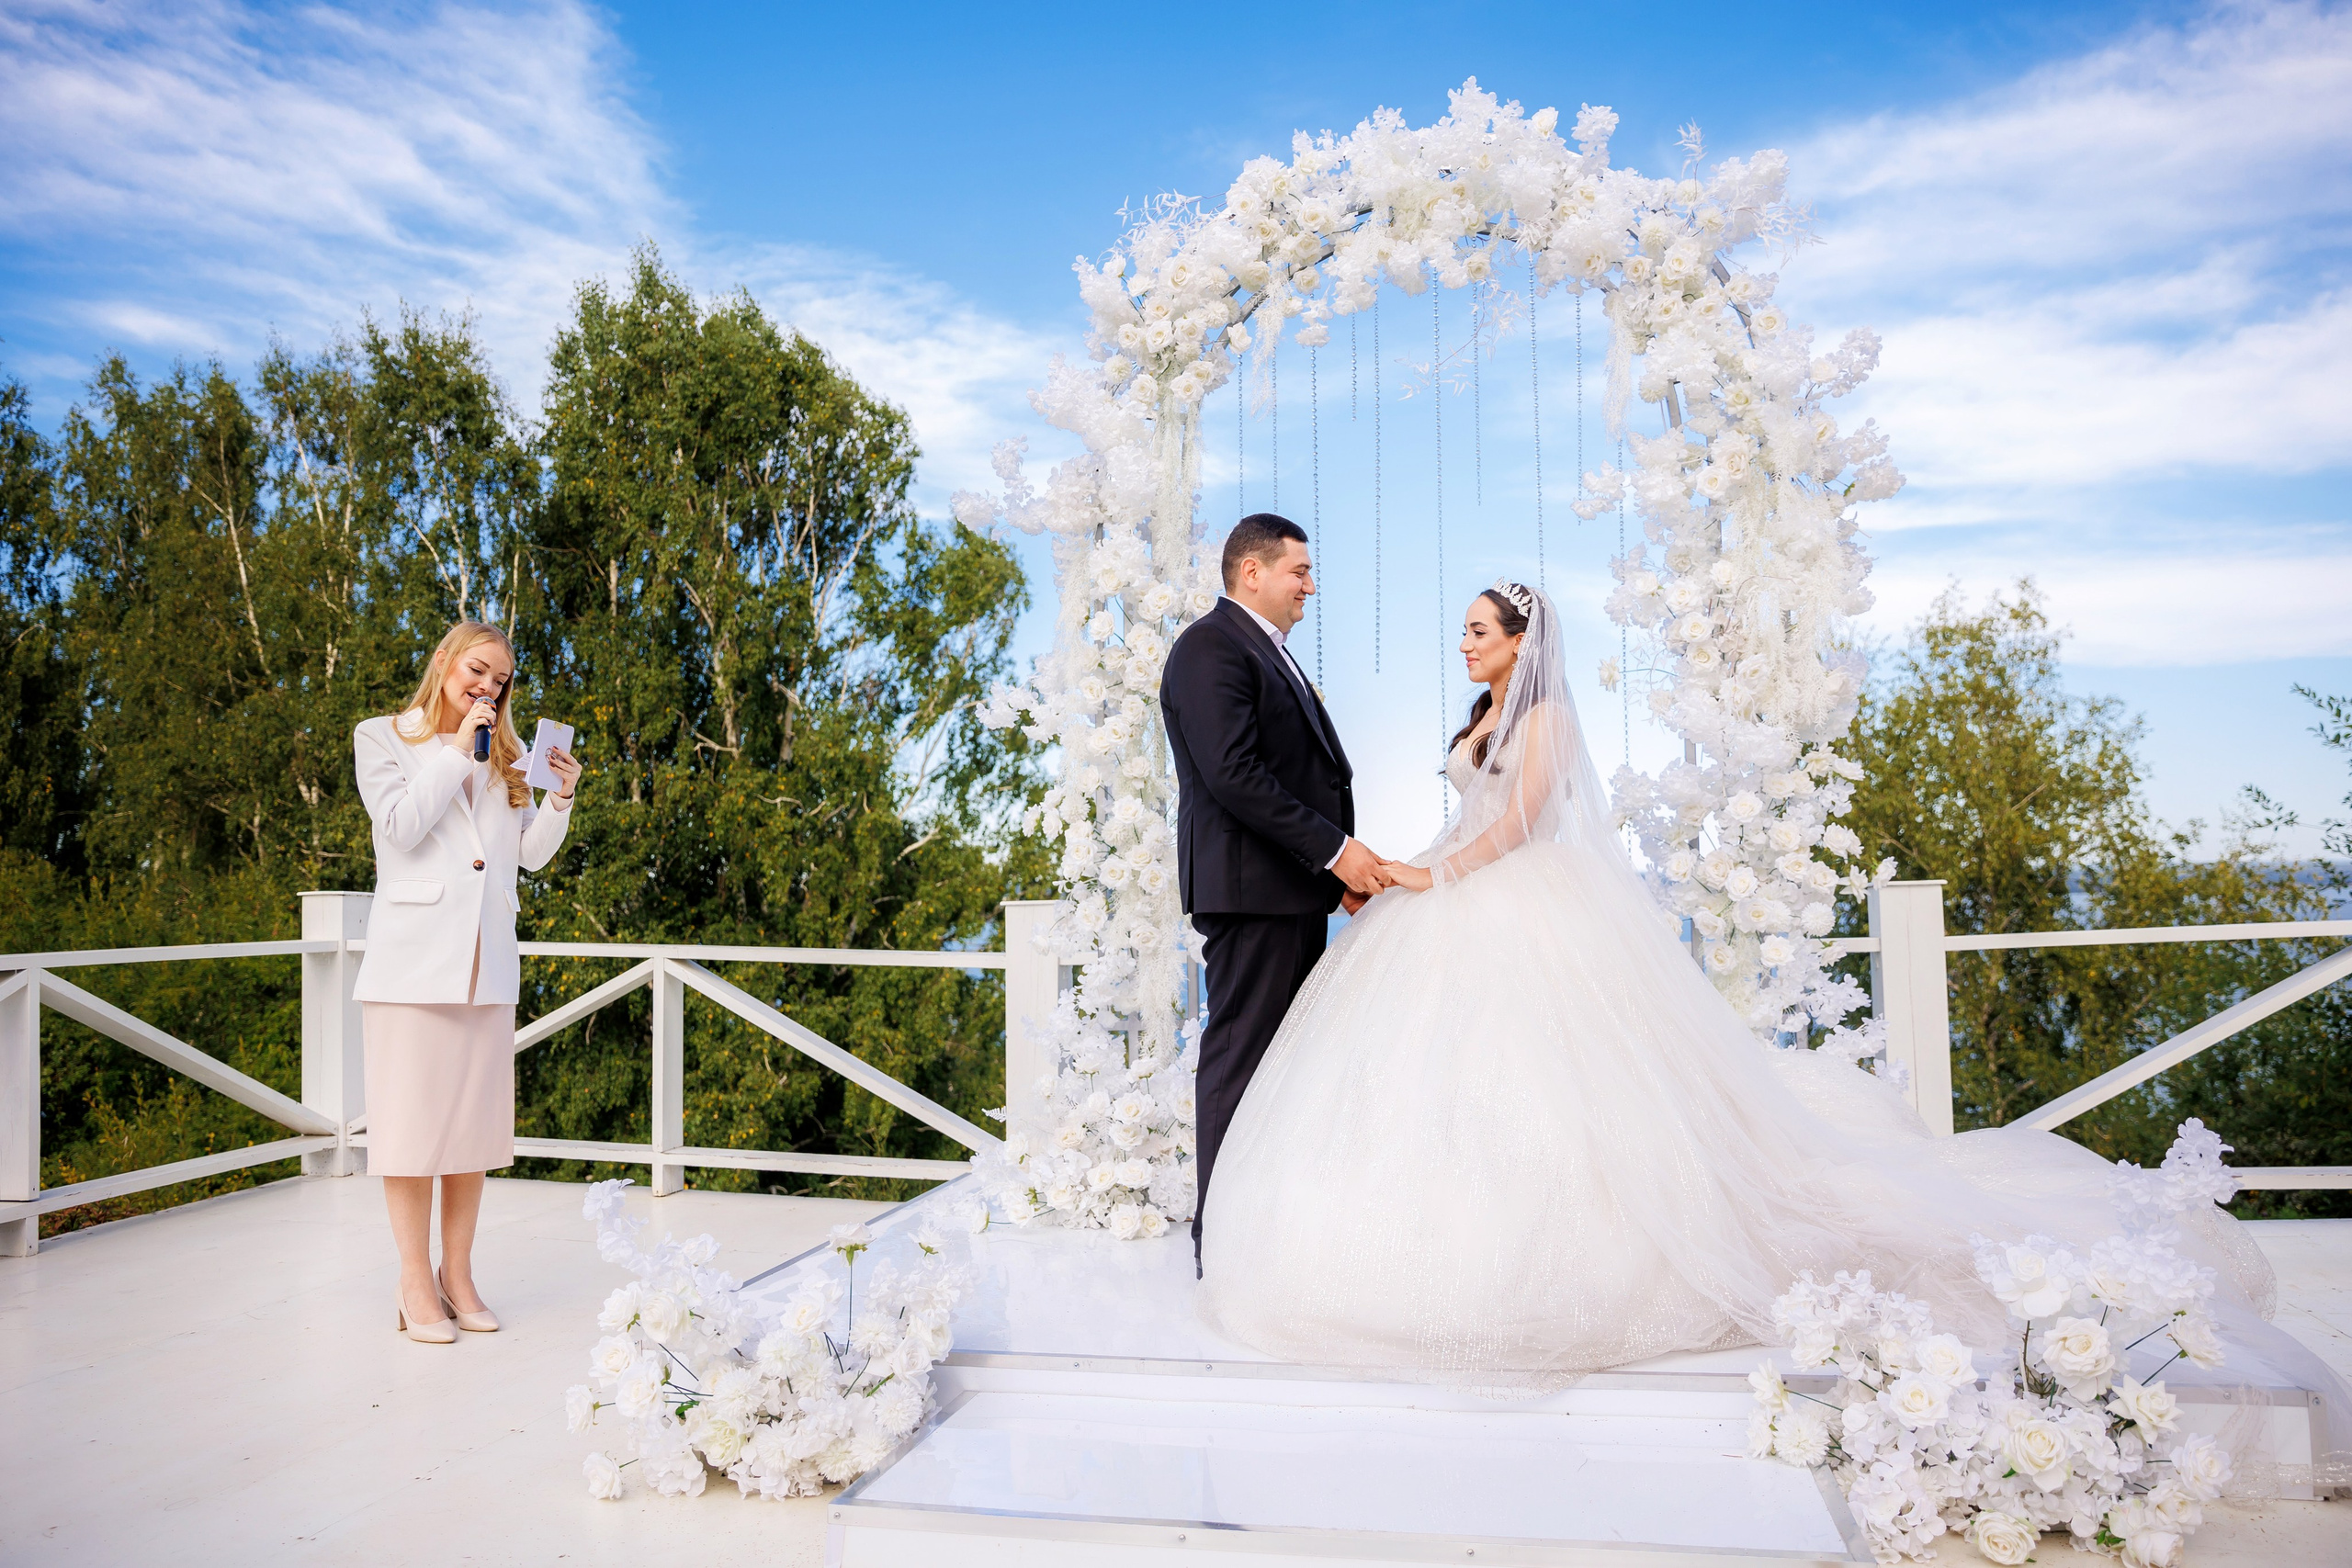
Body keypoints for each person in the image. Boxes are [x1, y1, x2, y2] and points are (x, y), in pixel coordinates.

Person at [1197, 581, 2348, 1468]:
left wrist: (1432, 878)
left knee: (1563, 1084)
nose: (1465, 643)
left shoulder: (1540, 719)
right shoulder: (1481, 713)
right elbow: (1470, 819)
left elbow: (1523, 829)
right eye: (1463, 631)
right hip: (1450, 901)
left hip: (1515, 911)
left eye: (1478, 630)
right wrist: (1402, 870)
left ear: (1520, 640)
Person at [1159, 513, 1390, 1272]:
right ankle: (1221, 1243)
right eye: (1300, 571)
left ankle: (1271, 1229)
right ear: (1250, 572)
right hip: (1251, 892)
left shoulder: (1269, 653)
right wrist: (1337, 851)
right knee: (1242, 1057)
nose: (1310, 586)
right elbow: (1234, 775)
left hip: (1289, 891)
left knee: (1286, 1065)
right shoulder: (1209, 647)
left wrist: (1332, 877)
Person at [353, 620, 582, 1343]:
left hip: (487, 966)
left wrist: (561, 800)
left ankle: (459, 1274)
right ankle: (414, 1282)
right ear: (446, 661)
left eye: (502, 679)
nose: (489, 687)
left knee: (472, 1136)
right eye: (479, 670)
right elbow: (399, 826)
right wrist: (455, 753)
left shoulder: (507, 756)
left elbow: (529, 857)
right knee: (413, 1131)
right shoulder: (383, 736)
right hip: (412, 967)